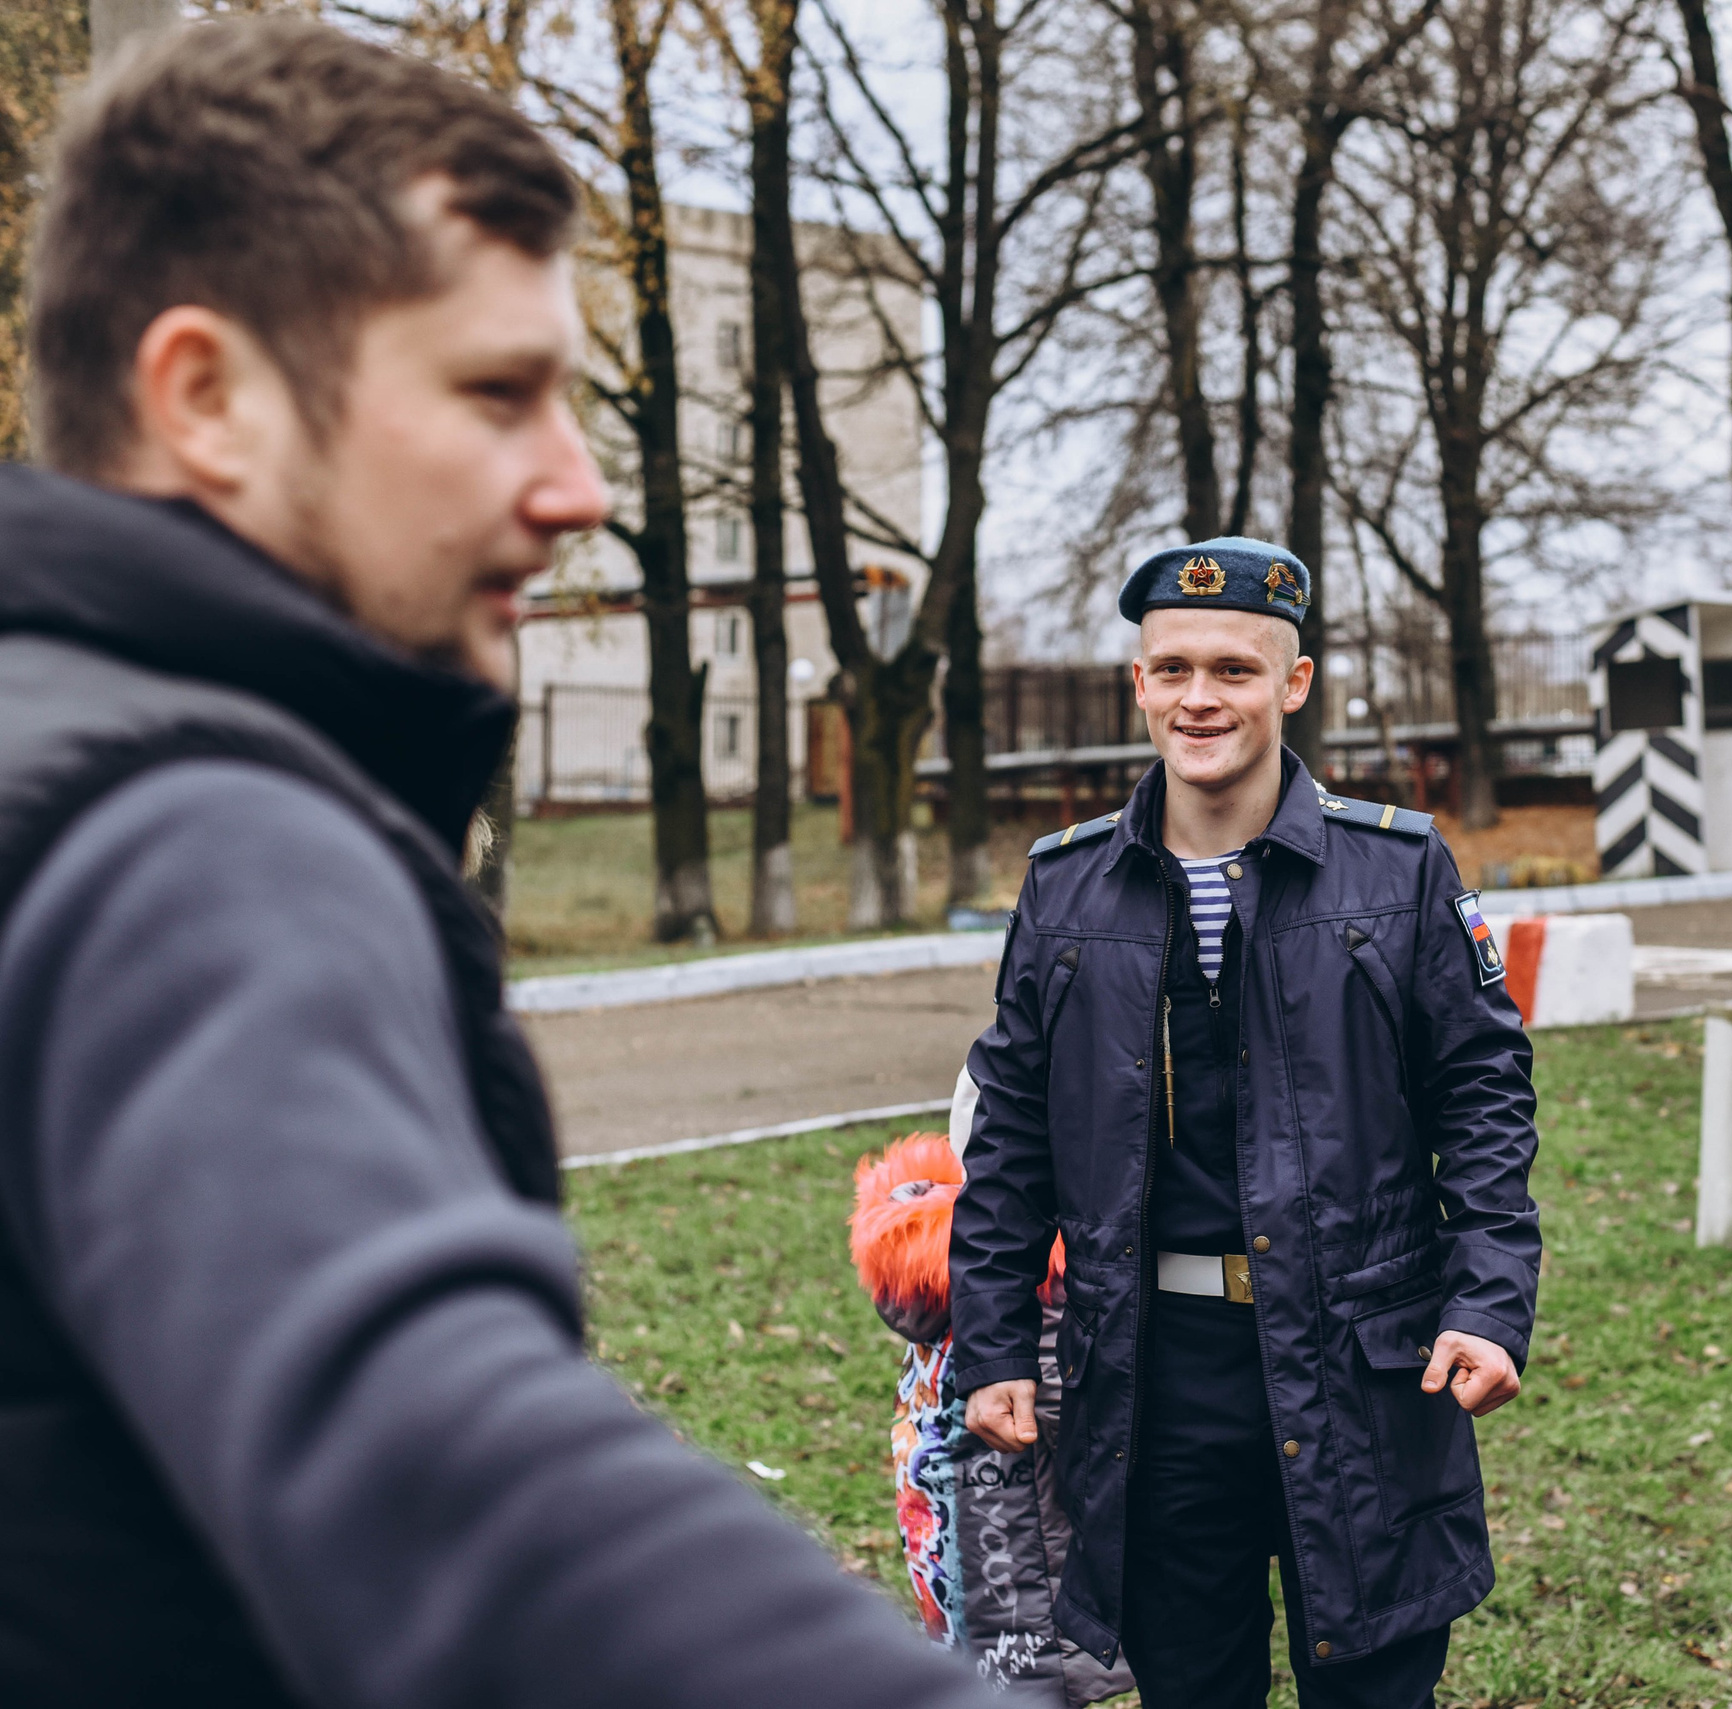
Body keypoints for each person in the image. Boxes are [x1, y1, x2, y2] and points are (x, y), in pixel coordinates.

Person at [0, 20, 987, 1707]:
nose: (578, 488)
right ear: (207, 395)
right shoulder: (194, 836)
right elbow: (442, 1464)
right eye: (494, 394)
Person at [947, 536, 1541, 1708]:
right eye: (1171, 669)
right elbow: (1012, 1127)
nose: (1199, 697)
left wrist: (1487, 1300)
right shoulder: (1065, 887)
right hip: (1155, 1374)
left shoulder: (1397, 870)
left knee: (1373, 1684)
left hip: (1364, 1363)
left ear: (1294, 683)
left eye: (1232, 668)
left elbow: (1482, 1093)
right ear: (1138, 686)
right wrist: (995, 1339)